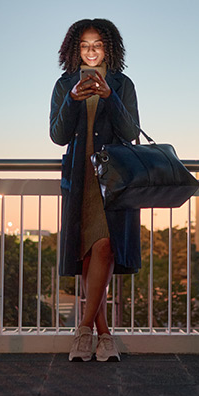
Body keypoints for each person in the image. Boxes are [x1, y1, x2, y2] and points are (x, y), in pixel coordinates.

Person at [49, 19, 141, 362]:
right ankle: (104, 337)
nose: (91, 51)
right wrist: (73, 99)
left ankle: (83, 330)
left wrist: (109, 96)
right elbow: (57, 136)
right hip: (80, 179)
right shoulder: (63, 84)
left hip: (114, 179)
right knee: (88, 254)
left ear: (109, 48)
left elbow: (131, 130)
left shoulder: (122, 83)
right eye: (85, 45)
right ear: (75, 49)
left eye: (98, 44)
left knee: (105, 247)